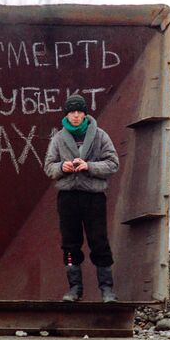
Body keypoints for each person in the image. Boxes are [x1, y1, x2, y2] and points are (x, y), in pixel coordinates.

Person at [44, 94, 119, 303]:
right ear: (66, 115)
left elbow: (113, 163)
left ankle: (107, 289)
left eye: (79, 112)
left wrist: (90, 166)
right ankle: (74, 288)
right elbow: (49, 166)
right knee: (70, 243)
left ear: (85, 114)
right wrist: (62, 167)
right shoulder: (58, 138)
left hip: (94, 197)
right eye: (71, 112)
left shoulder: (100, 136)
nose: (76, 116)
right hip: (68, 198)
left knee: (99, 241)